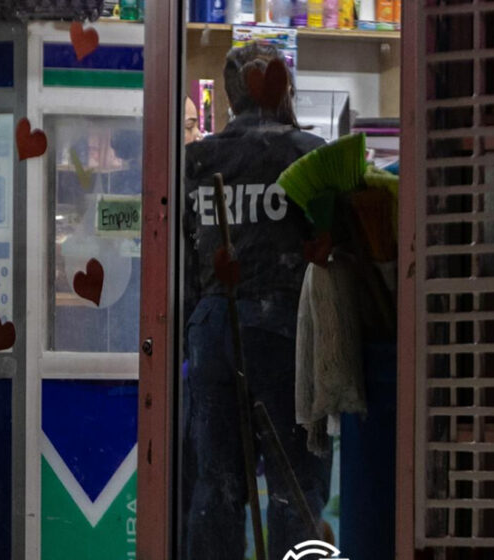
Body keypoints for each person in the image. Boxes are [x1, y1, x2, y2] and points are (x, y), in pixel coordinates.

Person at [182, 43, 329, 560]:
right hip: (282, 334)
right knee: (294, 486)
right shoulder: (307, 153)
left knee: (216, 485)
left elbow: (180, 259)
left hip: (211, 331)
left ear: (229, 96)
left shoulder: (196, 161)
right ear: (282, 85)